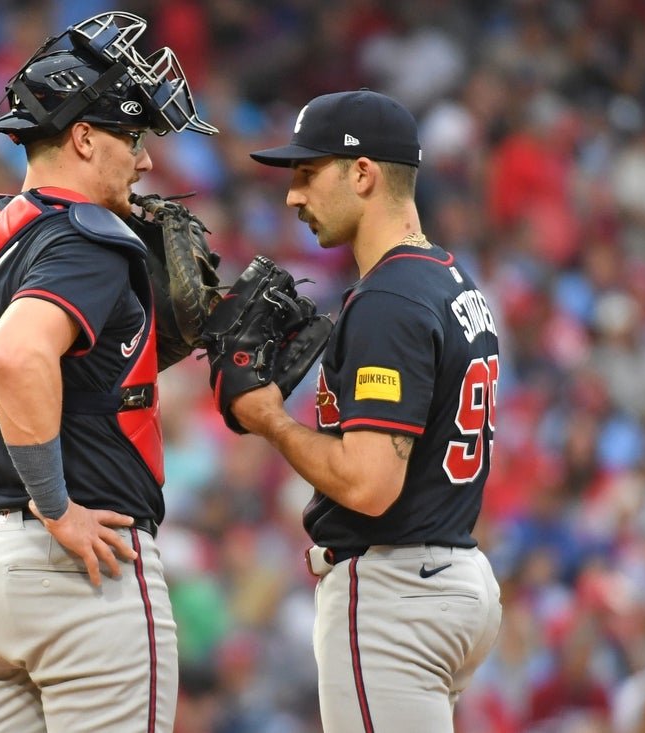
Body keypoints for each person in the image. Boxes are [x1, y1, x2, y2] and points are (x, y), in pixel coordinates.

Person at [0, 12, 217, 733]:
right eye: (133, 136)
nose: (146, 161)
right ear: (85, 137)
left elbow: (58, 366)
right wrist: (56, 506)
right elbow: (22, 352)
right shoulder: (85, 237)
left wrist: (149, 340)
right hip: (78, 560)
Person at [229, 89, 503, 732]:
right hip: (449, 574)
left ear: (362, 173)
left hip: (395, 590)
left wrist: (270, 418)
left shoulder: (388, 298)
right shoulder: (449, 280)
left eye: (307, 172)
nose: (293, 195)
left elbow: (369, 484)